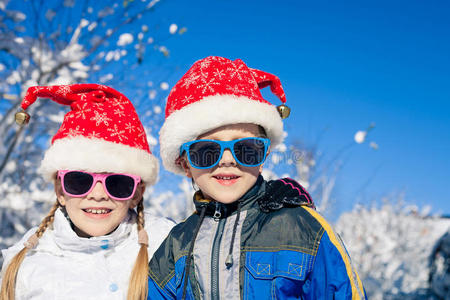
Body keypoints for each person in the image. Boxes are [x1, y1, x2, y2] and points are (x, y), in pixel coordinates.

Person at [147, 56, 367, 299]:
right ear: (185, 164)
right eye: (207, 151)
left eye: (246, 149)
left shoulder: (305, 230)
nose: (227, 160)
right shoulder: (176, 246)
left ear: (263, 156)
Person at [0, 84, 174, 300]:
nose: (98, 194)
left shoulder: (167, 246)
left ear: (136, 193)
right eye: (79, 181)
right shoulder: (26, 264)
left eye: (118, 183)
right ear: (60, 191)